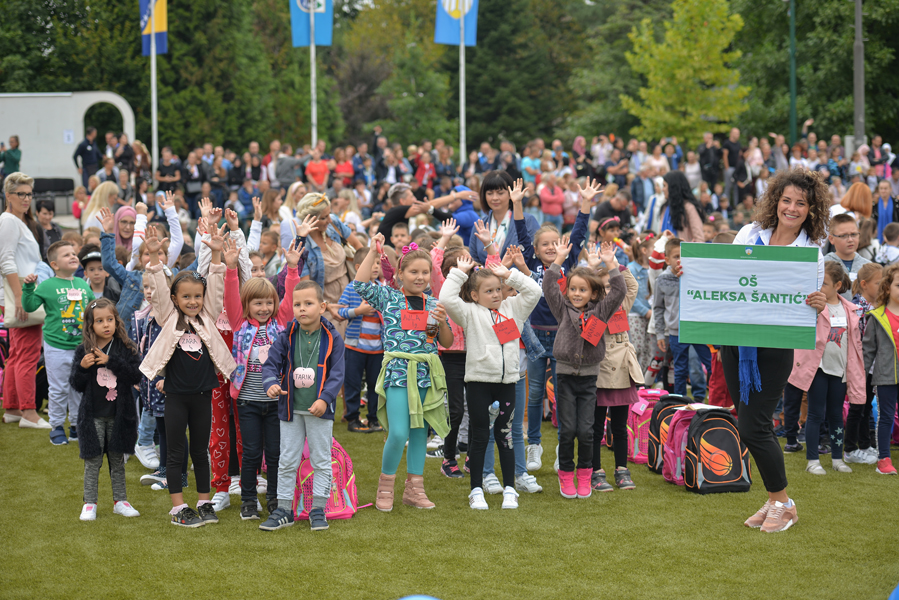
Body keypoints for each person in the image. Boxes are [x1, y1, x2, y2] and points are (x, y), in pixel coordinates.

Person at [724, 168, 828, 533]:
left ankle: (783, 502)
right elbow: (729, 277)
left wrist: (817, 302)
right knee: (749, 423)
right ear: (776, 201)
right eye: (787, 200)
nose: (792, 208)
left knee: (754, 427)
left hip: (775, 347)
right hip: (736, 343)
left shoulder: (811, 254)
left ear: (811, 209)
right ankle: (774, 501)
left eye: (801, 203)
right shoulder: (750, 234)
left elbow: (807, 306)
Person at [139, 223, 237, 527]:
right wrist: (156, 259)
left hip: (203, 394)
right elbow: (158, 292)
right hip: (176, 397)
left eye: (197, 296)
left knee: (200, 450)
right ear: (176, 299)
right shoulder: (169, 317)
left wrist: (217, 253)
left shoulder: (207, 315)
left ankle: (204, 502)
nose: (192, 302)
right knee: (177, 451)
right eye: (186, 297)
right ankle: (178, 507)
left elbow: (216, 287)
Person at [355, 236, 452, 512]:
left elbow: (440, 341)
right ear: (400, 274)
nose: (420, 277)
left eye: (425, 272)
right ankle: (386, 485)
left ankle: (415, 489)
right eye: (414, 272)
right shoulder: (388, 296)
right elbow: (360, 284)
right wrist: (374, 254)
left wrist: (442, 322)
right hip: (398, 371)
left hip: (425, 373)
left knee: (420, 431)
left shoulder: (433, 304)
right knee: (398, 432)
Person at [440, 255, 541, 510]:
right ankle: (476, 489)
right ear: (475, 295)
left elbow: (535, 290)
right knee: (480, 436)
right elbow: (446, 299)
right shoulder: (469, 313)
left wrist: (509, 275)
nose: (496, 294)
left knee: (504, 435)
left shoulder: (513, 307)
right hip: (478, 382)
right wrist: (459, 273)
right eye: (489, 291)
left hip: (508, 382)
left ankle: (510, 489)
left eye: (498, 289)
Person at [516, 178, 599, 472]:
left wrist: (585, 203)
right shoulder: (532, 264)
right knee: (536, 391)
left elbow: (579, 232)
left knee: (563, 394)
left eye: (555, 243)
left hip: (567, 339)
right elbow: (521, 234)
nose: (551, 247)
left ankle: (563, 448)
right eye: (545, 245)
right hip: (537, 337)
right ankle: (534, 446)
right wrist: (517, 204)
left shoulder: (567, 263)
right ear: (535, 250)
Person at [223, 237, 302, 521]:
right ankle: (247, 501)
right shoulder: (239, 323)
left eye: (268, 303)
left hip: (276, 402)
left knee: (276, 455)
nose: (264, 308)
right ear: (247, 305)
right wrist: (231, 269)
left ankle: (273, 499)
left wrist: (291, 270)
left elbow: (291, 302)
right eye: (258, 303)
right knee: (252, 454)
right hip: (247, 401)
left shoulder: (281, 324)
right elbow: (231, 296)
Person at [543, 240, 626, 498]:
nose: (577, 294)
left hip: (589, 379)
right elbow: (548, 286)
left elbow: (619, 291)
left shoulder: (601, 311)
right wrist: (558, 260)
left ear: (593, 293)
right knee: (567, 430)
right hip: (565, 378)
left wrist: (610, 264)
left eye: (583, 290)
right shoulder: (562, 309)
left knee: (587, 431)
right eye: (573, 289)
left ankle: (585, 474)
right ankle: (566, 474)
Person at [260, 280, 345, 531]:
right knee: (286, 461)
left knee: (320, 460)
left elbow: (337, 374)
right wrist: (270, 384)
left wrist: (324, 399)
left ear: (322, 306)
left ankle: (318, 509)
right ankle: (283, 510)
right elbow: (270, 366)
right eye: (297, 304)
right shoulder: (286, 336)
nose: (302, 309)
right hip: (290, 410)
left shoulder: (333, 338)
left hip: (319, 411)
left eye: (308, 303)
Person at [787, 262, 863, 476]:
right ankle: (812, 460)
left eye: (824, 283)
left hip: (840, 372)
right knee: (815, 415)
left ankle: (837, 459)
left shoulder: (850, 309)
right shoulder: (811, 305)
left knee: (836, 416)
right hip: (818, 370)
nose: (819, 287)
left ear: (838, 285)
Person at [70, 298, 143, 521]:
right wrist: (82, 368)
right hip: (92, 417)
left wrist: (110, 361)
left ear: (116, 321)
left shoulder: (126, 347)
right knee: (92, 461)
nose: (106, 325)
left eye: (110, 319)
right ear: (90, 325)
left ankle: (120, 501)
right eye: (100, 321)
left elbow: (135, 375)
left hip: (119, 416)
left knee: (117, 460)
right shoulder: (83, 350)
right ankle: (89, 503)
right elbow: (76, 384)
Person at [22, 239, 95, 445]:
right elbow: (29, 306)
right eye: (66, 255)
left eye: (73, 253)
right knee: (58, 388)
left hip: (81, 347)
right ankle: (56, 426)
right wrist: (28, 288)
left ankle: (75, 426)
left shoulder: (82, 284)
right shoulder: (47, 285)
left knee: (78, 387)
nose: (73, 256)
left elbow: (91, 311)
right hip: (56, 347)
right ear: (54, 264)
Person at [0, 173, 49, 429]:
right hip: (21, 293)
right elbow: (5, 260)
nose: (27, 198)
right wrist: (20, 296)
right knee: (27, 354)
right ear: (8, 196)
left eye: (29, 193)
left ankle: (13, 408)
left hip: (20, 291)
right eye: (21, 193)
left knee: (18, 354)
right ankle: (29, 412)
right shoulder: (9, 221)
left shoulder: (14, 220)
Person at [591, 247, 641, 492]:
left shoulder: (623, 304)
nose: (609, 293)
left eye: (612, 287)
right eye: (603, 289)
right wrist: (592, 269)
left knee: (620, 426)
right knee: (595, 426)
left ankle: (622, 469)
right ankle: (595, 471)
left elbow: (632, 287)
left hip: (622, 371)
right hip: (599, 372)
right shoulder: (591, 309)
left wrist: (615, 265)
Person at [654, 237, 712, 400]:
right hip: (676, 332)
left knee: (711, 365)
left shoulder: (696, 275)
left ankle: (707, 398)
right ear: (667, 260)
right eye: (676, 256)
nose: (681, 260)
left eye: (684, 256)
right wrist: (660, 334)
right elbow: (658, 308)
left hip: (698, 329)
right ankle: (679, 402)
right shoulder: (662, 280)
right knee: (679, 369)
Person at [337, 250, 386, 433]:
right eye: (371, 263)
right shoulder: (352, 288)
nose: (375, 267)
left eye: (378, 264)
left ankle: (373, 419)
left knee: (375, 385)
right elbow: (340, 313)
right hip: (355, 346)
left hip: (377, 348)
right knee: (353, 383)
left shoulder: (382, 289)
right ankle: (353, 419)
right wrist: (358, 311)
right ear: (359, 268)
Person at [862, 263, 899, 475]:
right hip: (886, 376)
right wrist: (859, 380)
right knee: (885, 417)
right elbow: (868, 352)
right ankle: (883, 459)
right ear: (887, 288)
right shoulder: (876, 317)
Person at [844, 262, 882, 465]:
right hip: (859, 366)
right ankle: (850, 449)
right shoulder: (858, 308)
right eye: (879, 283)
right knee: (857, 407)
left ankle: (865, 445)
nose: (882, 286)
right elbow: (856, 340)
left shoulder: (875, 307)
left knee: (866, 406)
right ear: (865, 284)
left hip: (870, 367)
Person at [825, 213, 870, 299]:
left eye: (853, 234)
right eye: (844, 236)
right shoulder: (823, 264)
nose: (850, 240)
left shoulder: (868, 266)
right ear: (831, 239)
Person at [659, 171, 705, 243]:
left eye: (664, 186)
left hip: (682, 252)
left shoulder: (688, 207)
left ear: (673, 187)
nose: (662, 189)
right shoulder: (665, 208)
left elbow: (699, 237)